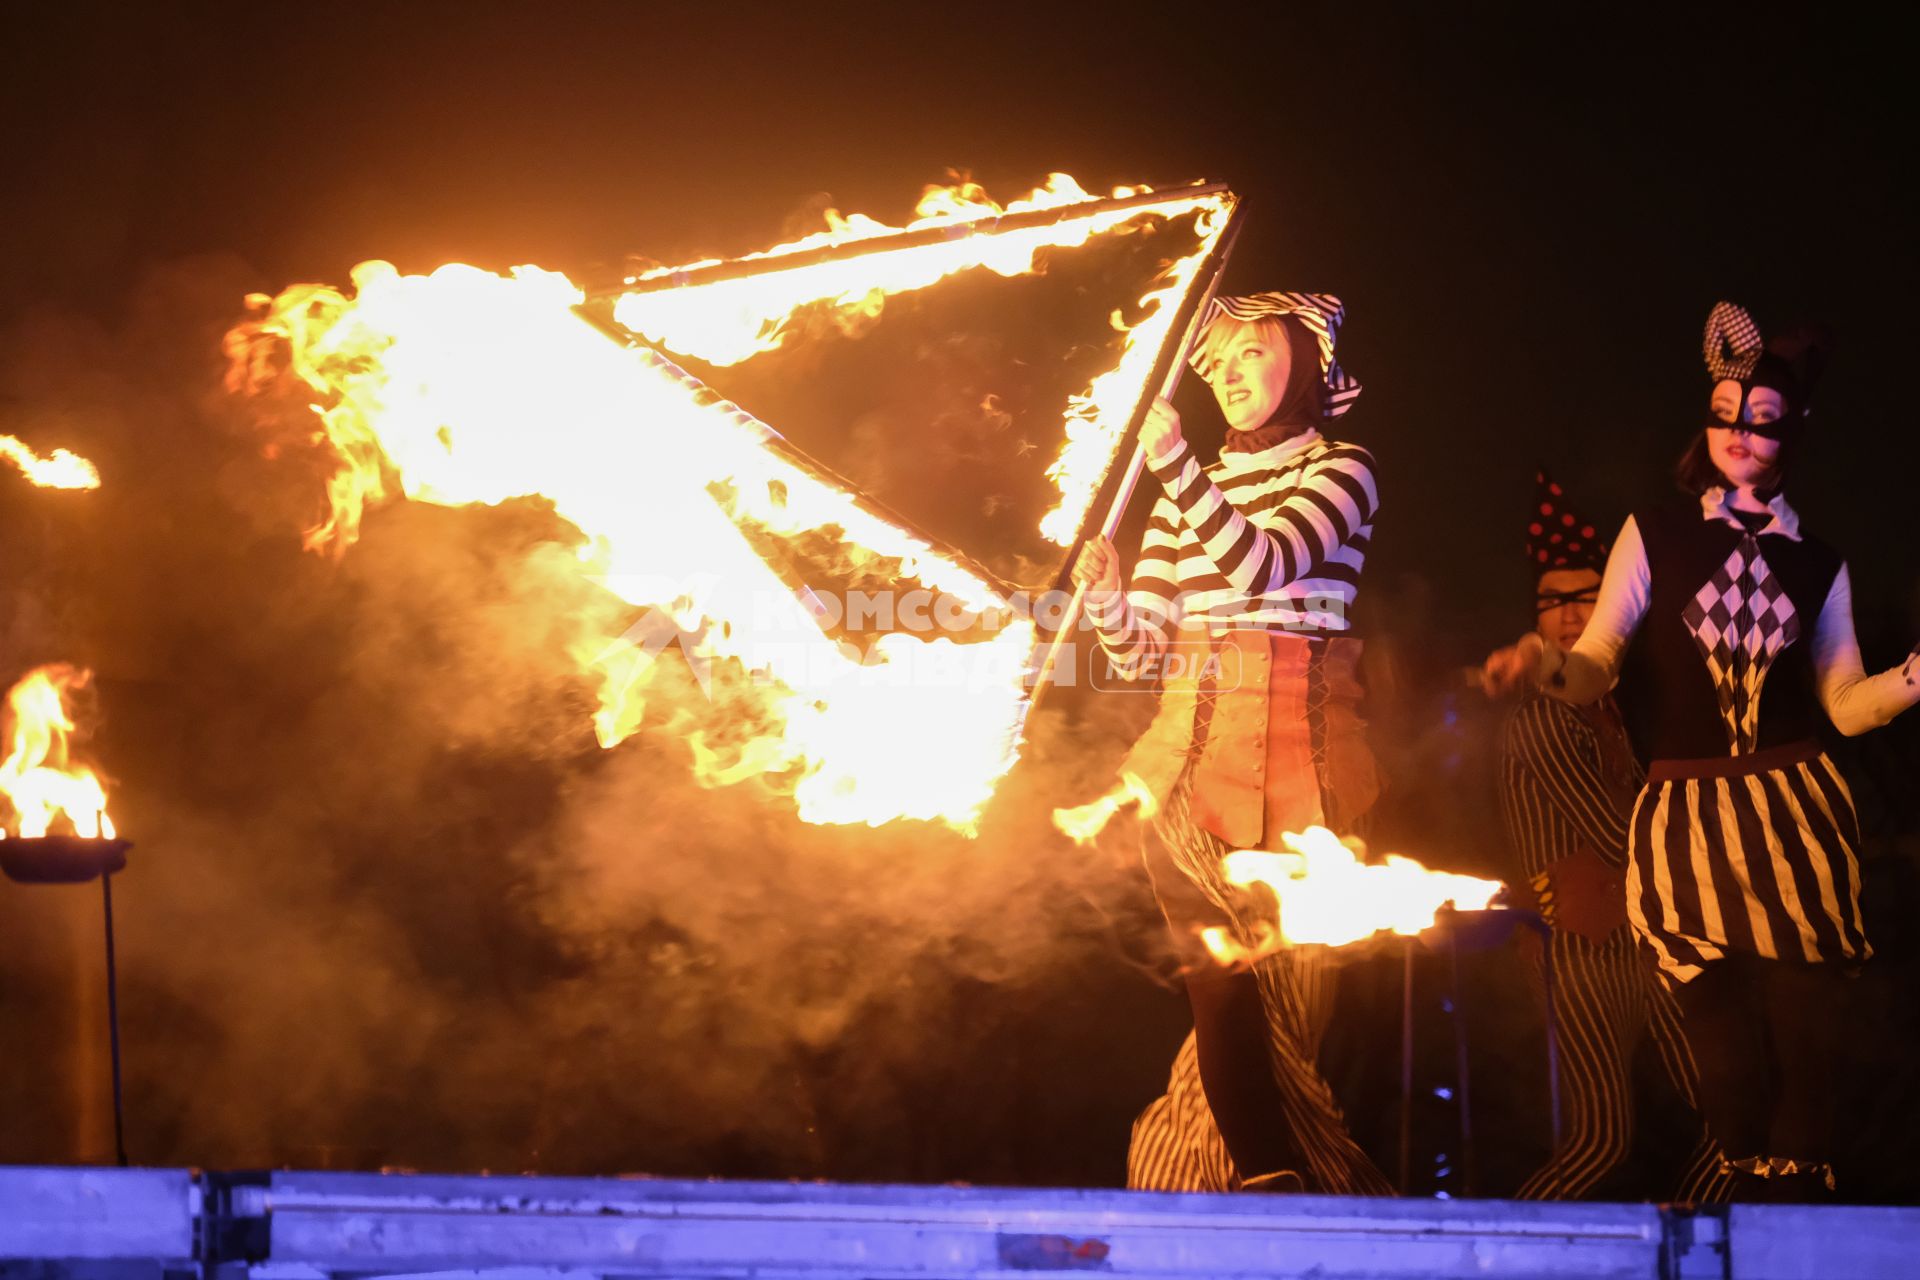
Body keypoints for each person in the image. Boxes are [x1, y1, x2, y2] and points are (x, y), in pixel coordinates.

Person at [1484, 302, 1920, 1201]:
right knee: (1716, 1029)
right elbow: (1599, 661)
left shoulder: (1820, 563)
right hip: (1684, 816)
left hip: (1794, 812)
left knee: (1805, 1030)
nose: (1738, 433)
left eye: (1759, 420)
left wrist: (1913, 678)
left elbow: (1842, 705)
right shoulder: (1656, 533)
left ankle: (1797, 1215)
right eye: (1725, 413)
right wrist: (1547, 666)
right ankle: (1742, 1198)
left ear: (1790, 433)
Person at [1073, 292, 1390, 1195]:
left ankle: (1205, 1183)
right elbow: (1145, 650)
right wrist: (1109, 596)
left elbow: (1265, 565)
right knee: (1215, 968)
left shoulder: (1345, 468)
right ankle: (1269, 1177)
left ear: (1301, 358)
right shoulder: (1191, 489)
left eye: (1252, 353)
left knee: (1284, 1024)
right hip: (1183, 759)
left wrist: (1175, 465)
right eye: (1216, 365)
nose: (1230, 375)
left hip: (1305, 768)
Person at [1501, 470, 1727, 1202]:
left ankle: (1684, 1239)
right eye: (1553, 603)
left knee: (1732, 1113)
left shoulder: (1611, 711)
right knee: (1601, 1139)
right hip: (1582, 948)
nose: (1570, 617)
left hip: (1641, 937)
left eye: (1586, 601)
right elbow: (1617, 831)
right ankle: (1496, 1254)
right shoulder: (1542, 716)